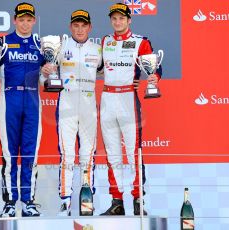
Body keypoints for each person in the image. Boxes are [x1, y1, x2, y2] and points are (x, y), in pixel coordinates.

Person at [0, 2, 47, 217]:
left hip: (33, 102)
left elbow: (47, 81)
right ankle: (10, 202)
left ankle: (28, 201)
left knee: (30, 154)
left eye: (29, 20)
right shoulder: (3, 42)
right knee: (9, 155)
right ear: (15, 20)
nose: (25, 23)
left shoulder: (41, 45)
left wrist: (48, 71)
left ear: (34, 21)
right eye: (21, 19)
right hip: (9, 100)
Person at [99, 3, 162, 216]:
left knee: (133, 152)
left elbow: (155, 66)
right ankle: (116, 200)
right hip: (107, 98)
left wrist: (154, 77)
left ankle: (137, 200)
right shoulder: (105, 41)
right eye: (114, 18)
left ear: (129, 20)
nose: (118, 22)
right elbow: (96, 67)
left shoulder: (141, 42)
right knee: (112, 153)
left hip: (128, 97)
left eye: (122, 18)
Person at [41, 9, 102, 216]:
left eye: (83, 25)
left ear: (89, 27)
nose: (79, 29)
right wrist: (45, 75)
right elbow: (45, 76)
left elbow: (112, 73)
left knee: (88, 154)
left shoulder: (98, 49)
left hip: (88, 105)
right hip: (66, 103)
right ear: (70, 27)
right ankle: (65, 200)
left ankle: (87, 198)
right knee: (67, 154)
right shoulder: (59, 46)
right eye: (76, 25)